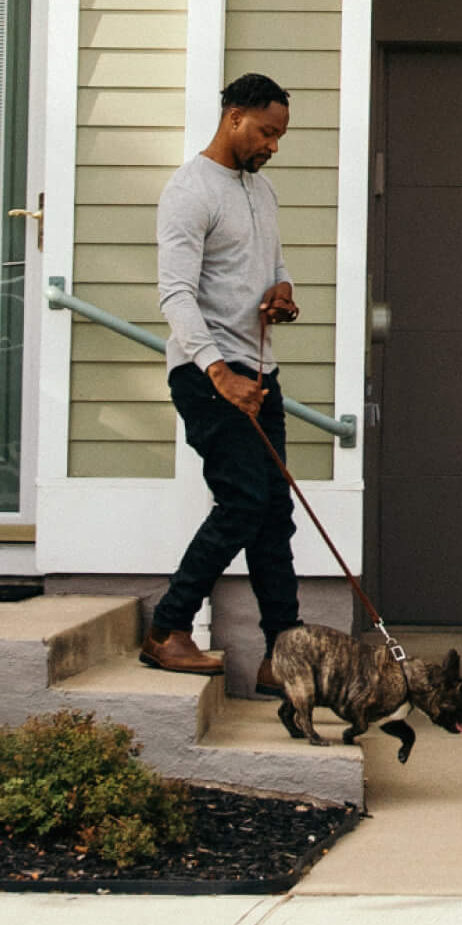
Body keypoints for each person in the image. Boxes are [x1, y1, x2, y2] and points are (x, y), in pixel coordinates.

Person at [142, 73, 302, 685]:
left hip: (260, 373)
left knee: (273, 514)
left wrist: (281, 294)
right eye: (267, 131)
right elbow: (176, 294)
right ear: (234, 117)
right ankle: (167, 628)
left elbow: (273, 266)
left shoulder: (262, 192)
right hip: (209, 375)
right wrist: (217, 373)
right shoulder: (189, 191)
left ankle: (281, 657)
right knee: (243, 502)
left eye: (280, 135)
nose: (274, 145)